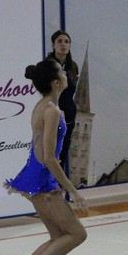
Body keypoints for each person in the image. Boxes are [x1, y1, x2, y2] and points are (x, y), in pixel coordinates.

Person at [4, 59, 87, 255]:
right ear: (56, 82)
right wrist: (72, 190)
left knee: (58, 236)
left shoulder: (42, 106)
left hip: (34, 177)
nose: (66, 73)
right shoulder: (51, 111)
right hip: (41, 180)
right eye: (62, 71)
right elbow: (49, 157)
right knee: (77, 234)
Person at [46, 30, 79, 173]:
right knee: (51, 151)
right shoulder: (47, 65)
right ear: (53, 45)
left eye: (66, 41)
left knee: (63, 150)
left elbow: (72, 89)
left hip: (69, 113)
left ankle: (57, 189)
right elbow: (46, 91)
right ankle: (46, 187)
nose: (63, 44)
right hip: (53, 113)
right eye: (59, 41)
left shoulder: (73, 66)